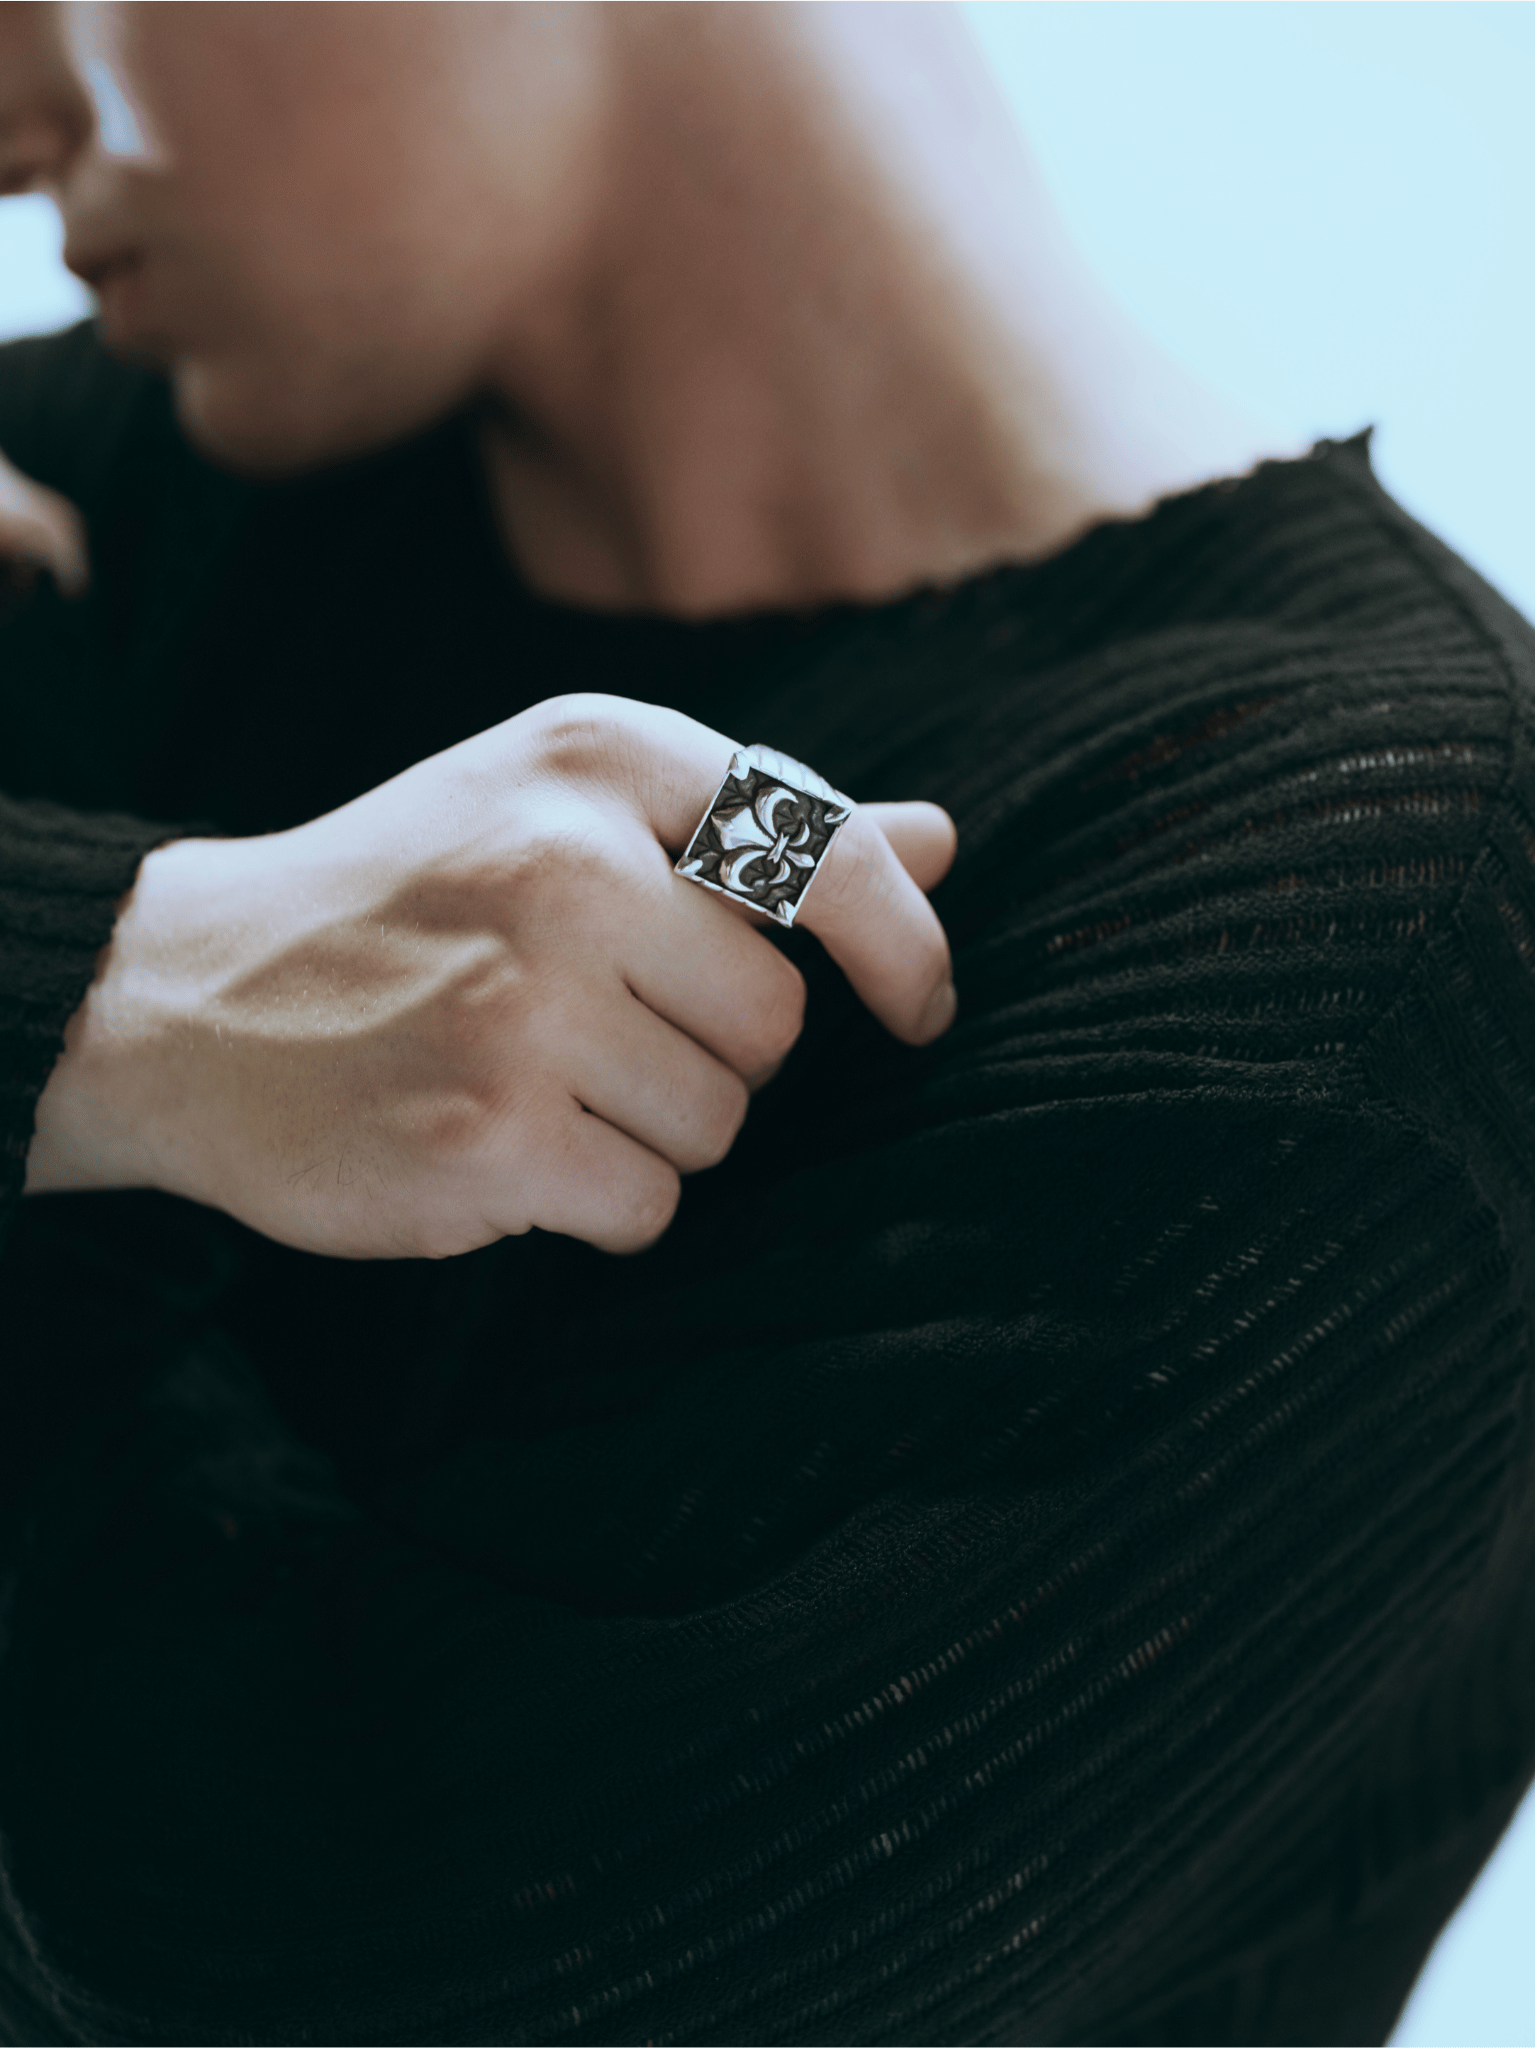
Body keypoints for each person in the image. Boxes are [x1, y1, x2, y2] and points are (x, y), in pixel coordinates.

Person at [0, 4, 1532, 2042]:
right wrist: (111, 994)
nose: (9, 118)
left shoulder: (1370, 944)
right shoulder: (135, 482)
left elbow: (316, 1973)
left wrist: (78, 1004)